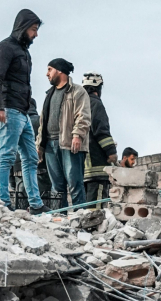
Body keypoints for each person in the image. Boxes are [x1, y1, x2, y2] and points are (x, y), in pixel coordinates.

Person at [0, 9, 44, 213]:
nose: (35, 34)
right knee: (7, 155)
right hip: (9, 110)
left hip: (24, 113)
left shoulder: (24, 52)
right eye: (33, 29)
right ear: (23, 28)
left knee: (31, 158)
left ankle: (36, 205)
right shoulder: (5, 48)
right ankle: (3, 203)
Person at [36, 58, 91, 209]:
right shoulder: (49, 94)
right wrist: (39, 145)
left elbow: (83, 115)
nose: (47, 74)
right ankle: (60, 221)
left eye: (49, 69)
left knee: (75, 185)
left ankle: (81, 219)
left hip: (69, 144)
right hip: (50, 146)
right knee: (57, 188)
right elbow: (43, 122)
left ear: (59, 70)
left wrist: (77, 135)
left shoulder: (77, 91)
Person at [81, 72, 117, 209]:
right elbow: (101, 131)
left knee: (85, 206)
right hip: (97, 169)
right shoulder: (96, 104)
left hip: (83, 169)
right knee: (96, 208)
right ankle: (93, 229)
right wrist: (111, 151)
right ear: (98, 88)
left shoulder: (78, 105)